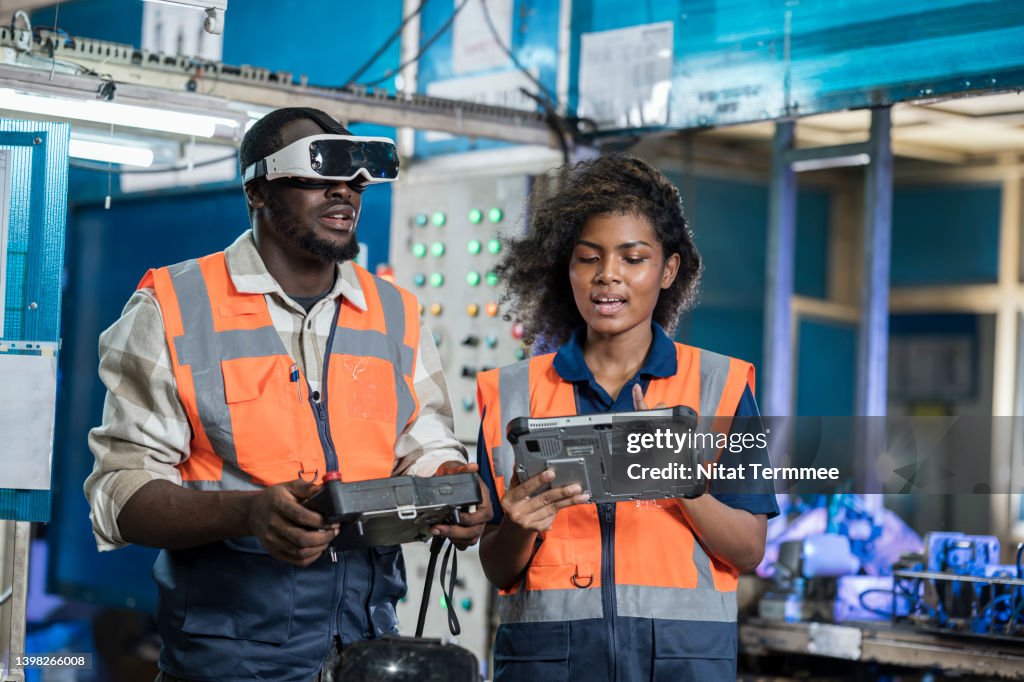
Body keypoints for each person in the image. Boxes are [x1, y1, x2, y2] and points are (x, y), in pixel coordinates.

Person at [84, 107, 491, 682]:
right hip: (227, 658)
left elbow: (420, 442)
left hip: (366, 645)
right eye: (319, 172)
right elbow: (120, 494)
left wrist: (450, 486)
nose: (344, 192)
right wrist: (247, 513)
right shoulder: (173, 308)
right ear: (257, 189)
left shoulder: (394, 310)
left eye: (355, 178)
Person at [476, 155, 779, 681]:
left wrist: (685, 485)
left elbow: (749, 550)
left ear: (668, 270)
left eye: (632, 258)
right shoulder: (511, 393)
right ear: (565, 268)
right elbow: (498, 566)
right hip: (550, 663)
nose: (607, 275)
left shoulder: (721, 387)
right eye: (588, 258)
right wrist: (519, 528)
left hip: (681, 662)